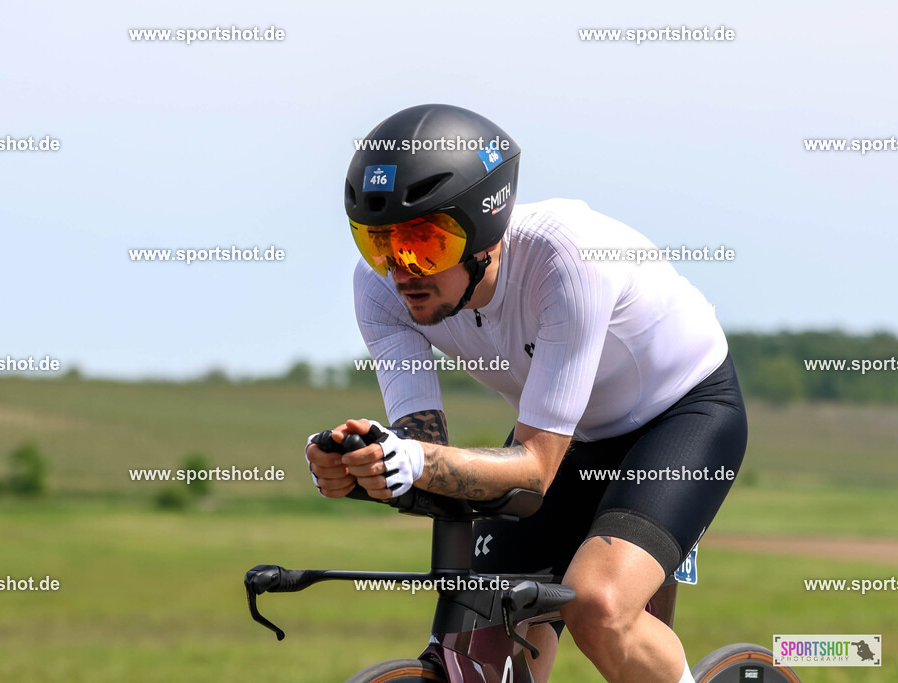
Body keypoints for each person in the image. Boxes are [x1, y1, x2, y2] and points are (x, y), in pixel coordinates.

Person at [305, 104, 747, 683]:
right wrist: (364, 464)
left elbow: (535, 469)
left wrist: (411, 461)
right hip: (566, 433)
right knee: (477, 634)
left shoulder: (565, 259)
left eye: (425, 244)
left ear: (483, 231)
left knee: (597, 606)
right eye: (378, 244)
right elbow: (422, 450)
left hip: (680, 417)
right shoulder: (381, 291)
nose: (400, 271)